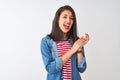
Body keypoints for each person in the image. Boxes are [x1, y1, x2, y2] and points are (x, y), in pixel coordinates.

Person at [40, 5, 90, 80]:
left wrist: (79, 48)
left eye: (71, 18)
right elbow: (50, 68)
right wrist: (72, 50)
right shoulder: (46, 42)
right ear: (58, 19)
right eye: (65, 17)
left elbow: (82, 69)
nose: (68, 21)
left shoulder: (76, 41)